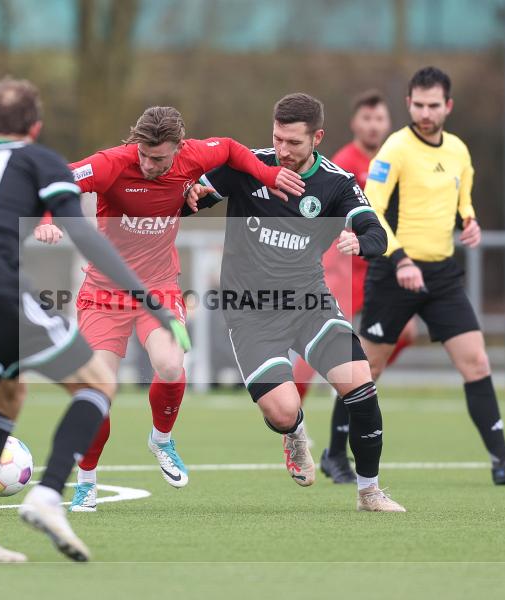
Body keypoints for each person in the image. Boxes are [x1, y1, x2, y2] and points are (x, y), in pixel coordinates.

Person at [0, 78, 190, 563]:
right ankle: (48, 496)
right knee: (98, 384)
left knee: (7, 397)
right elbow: (86, 236)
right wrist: (151, 300)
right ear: (35, 127)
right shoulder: (38, 160)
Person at [34, 106, 304, 511]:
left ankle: (161, 440)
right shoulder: (112, 164)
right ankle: (87, 482)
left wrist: (267, 174)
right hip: (104, 294)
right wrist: (47, 217)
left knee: (171, 365)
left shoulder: (193, 157)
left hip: (159, 291)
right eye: (143, 154)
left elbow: (230, 148)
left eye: (158, 158)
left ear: (179, 149)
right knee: (96, 392)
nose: (147, 164)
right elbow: (59, 181)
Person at [186, 93, 406, 512]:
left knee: (360, 385)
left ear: (317, 138)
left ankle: (370, 492)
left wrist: (360, 241)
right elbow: (193, 199)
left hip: (310, 304)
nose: (283, 151)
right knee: (284, 411)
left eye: (294, 143)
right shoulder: (248, 166)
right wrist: (185, 194)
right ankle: (295, 433)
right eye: (278, 139)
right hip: (250, 311)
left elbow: (375, 233)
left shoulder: (337, 183)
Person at [360, 66, 505, 485]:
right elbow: (371, 211)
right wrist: (402, 261)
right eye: (418, 104)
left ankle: (502, 460)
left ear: (447, 106)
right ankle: (337, 453)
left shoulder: (459, 152)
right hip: (394, 271)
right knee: (364, 370)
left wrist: (470, 221)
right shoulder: (394, 149)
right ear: (408, 103)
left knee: (477, 361)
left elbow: (462, 201)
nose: (425, 113)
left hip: (442, 275)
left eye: (433, 105)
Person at [293, 90, 416, 484]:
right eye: (367, 119)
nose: (374, 125)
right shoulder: (343, 163)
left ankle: (351, 383)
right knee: (316, 352)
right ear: (354, 123)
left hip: (375, 265)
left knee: (407, 332)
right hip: (341, 267)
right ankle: (294, 426)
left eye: (380, 119)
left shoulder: (392, 159)